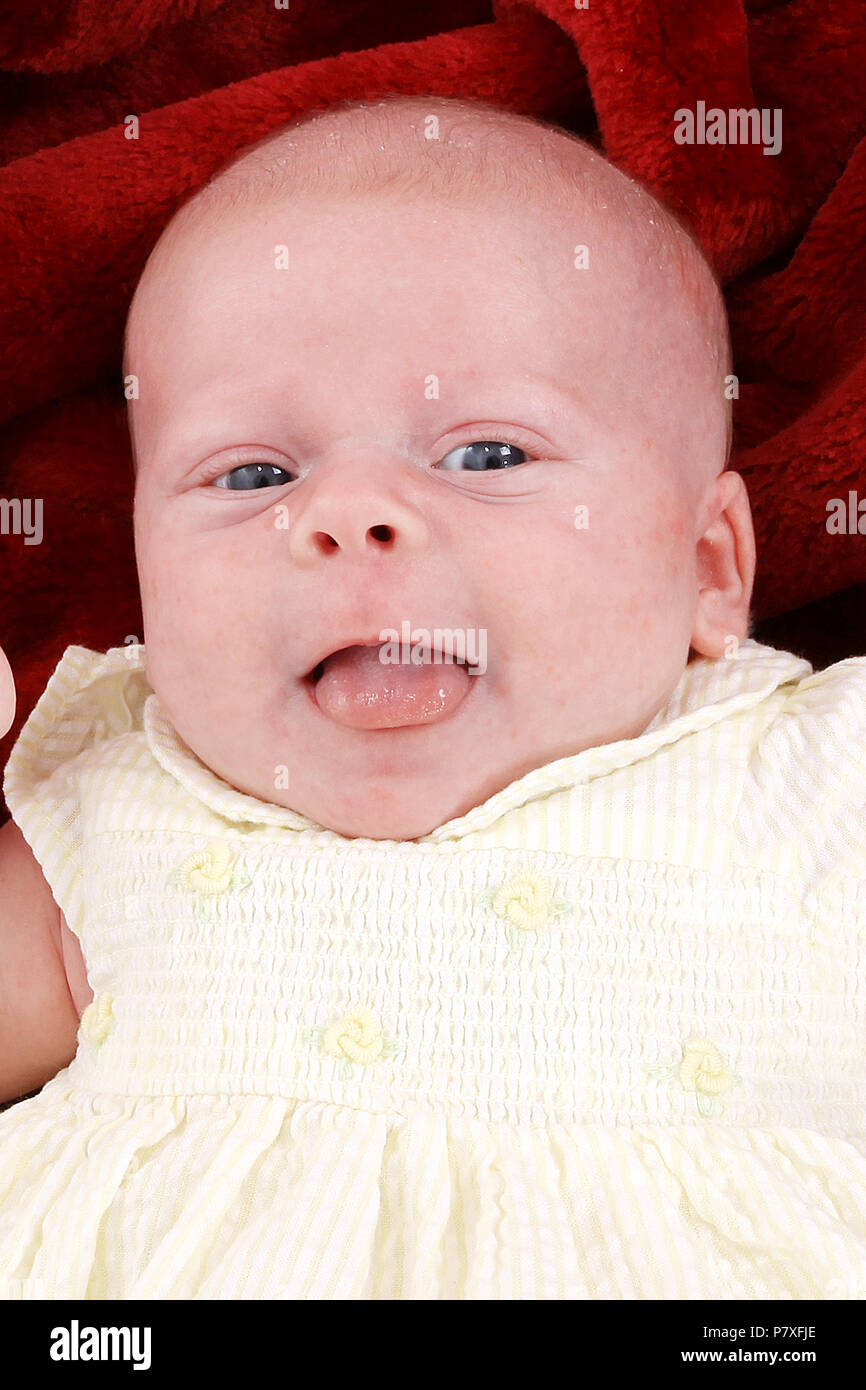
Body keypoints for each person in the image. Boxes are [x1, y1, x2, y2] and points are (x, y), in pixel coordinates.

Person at [1, 94, 864, 1299]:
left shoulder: (820, 777)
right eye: (253, 473)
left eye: (487, 455)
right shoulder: (118, 804)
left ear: (707, 568)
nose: (355, 514)